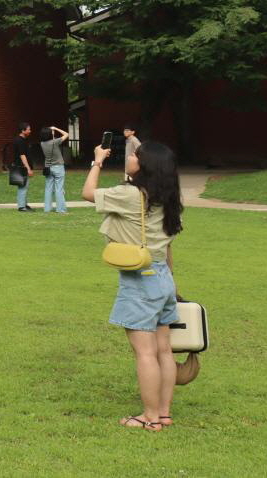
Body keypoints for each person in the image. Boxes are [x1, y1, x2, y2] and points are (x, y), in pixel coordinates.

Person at [83, 140, 184, 432]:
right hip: (163, 276)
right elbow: (167, 248)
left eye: (135, 155)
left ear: (145, 165)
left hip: (141, 280)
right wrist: (172, 287)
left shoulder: (131, 194)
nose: (130, 157)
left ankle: (149, 418)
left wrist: (97, 161)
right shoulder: (167, 196)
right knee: (164, 350)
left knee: (145, 353)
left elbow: (88, 192)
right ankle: (163, 413)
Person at [40, 125, 70, 213]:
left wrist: (51, 133)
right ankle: (60, 209)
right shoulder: (54, 142)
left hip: (48, 167)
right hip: (58, 167)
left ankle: (47, 208)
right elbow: (66, 134)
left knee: (48, 188)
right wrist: (56, 128)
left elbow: (49, 139)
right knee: (59, 188)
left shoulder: (42, 143)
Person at [12, 122, 33, 211]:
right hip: (21, 167)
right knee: (22, 186)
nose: (30, 131)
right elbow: (22, 155)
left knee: (24, 186)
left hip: (22, 166)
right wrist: (28, 168)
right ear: (23, 130)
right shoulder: (19, 140)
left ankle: (24, 204)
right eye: (28, 129)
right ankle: (21, 206)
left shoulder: (23, 140)